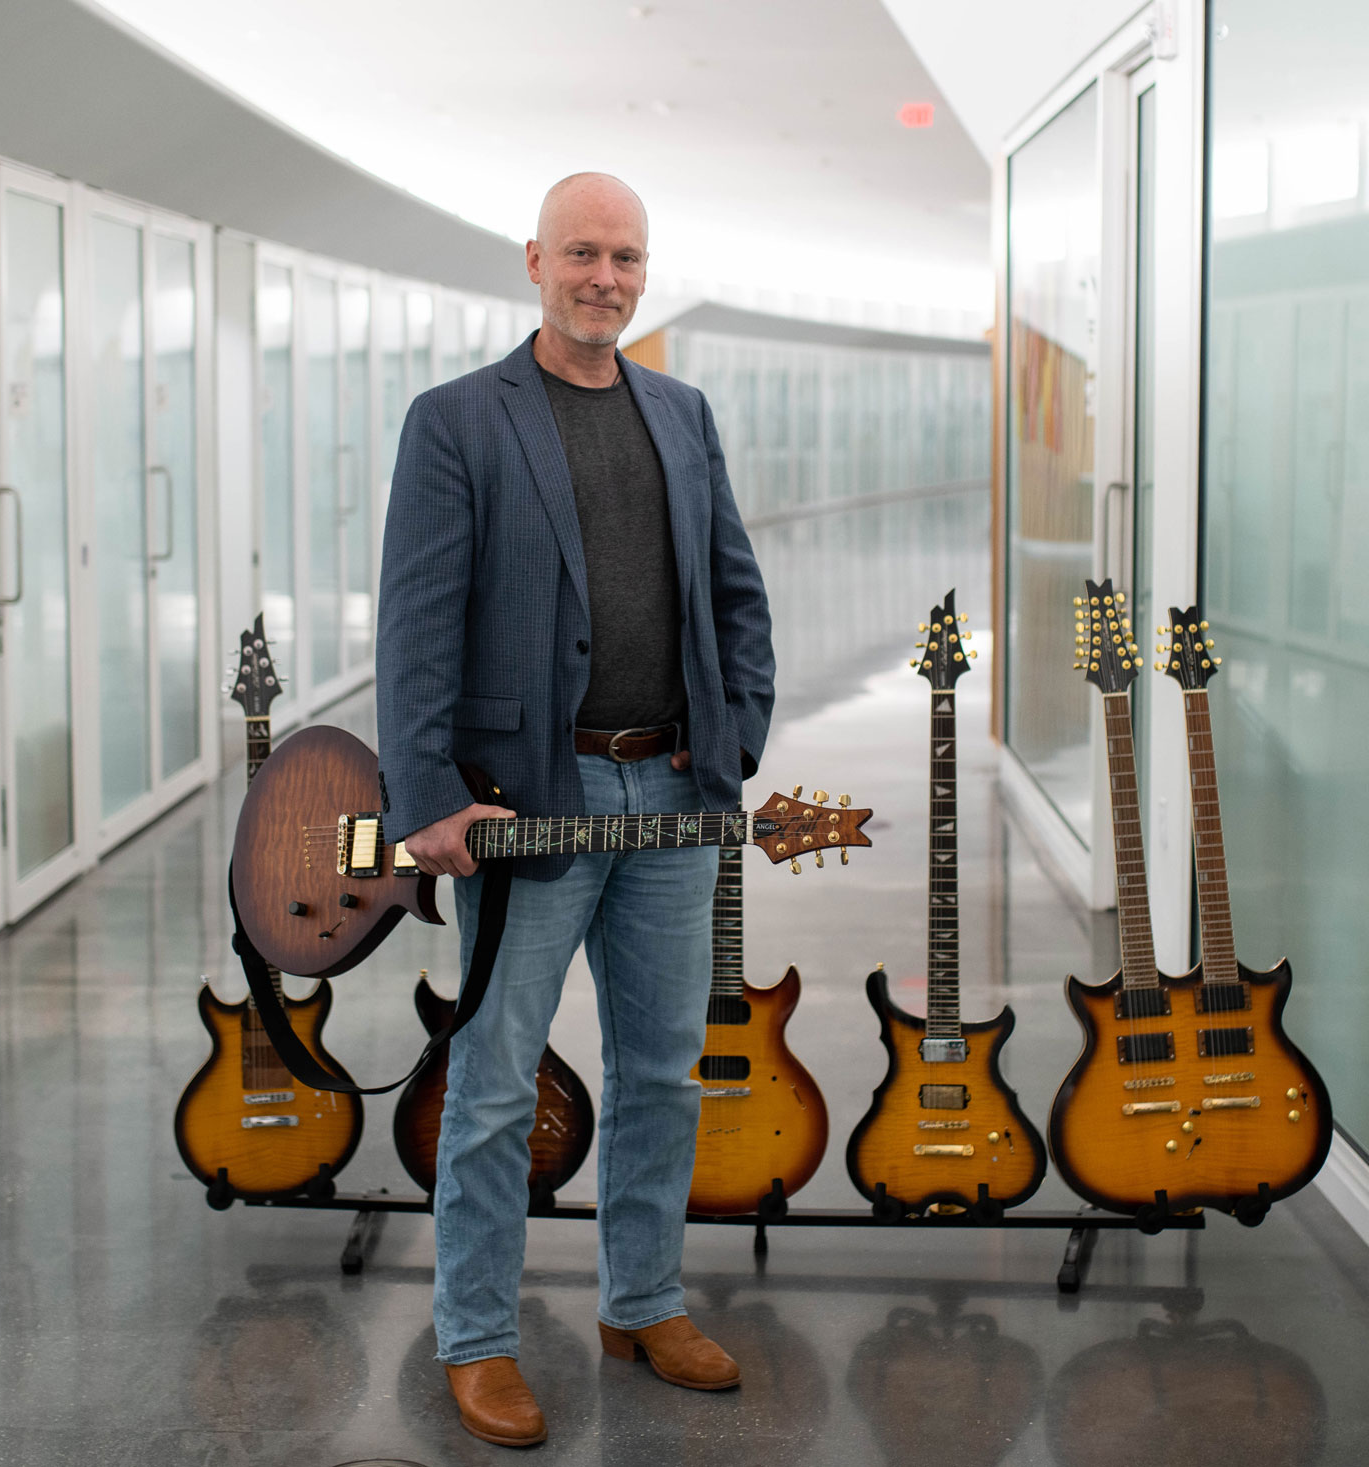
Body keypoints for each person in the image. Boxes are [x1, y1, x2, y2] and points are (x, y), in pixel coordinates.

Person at [376, 172, 775, 1449]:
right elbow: (418, 623)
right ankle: (478, 1337)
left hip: (670, 795)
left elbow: (735, 594)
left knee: (662, 1070)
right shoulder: (457, 422)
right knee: (493, 1087)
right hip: (526, 804)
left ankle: (642, 1300)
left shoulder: (683, 411)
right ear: (535, 261)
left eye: (628, 256)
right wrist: (429, 793)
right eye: (584, 253)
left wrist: (735, 741)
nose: (606, 276)